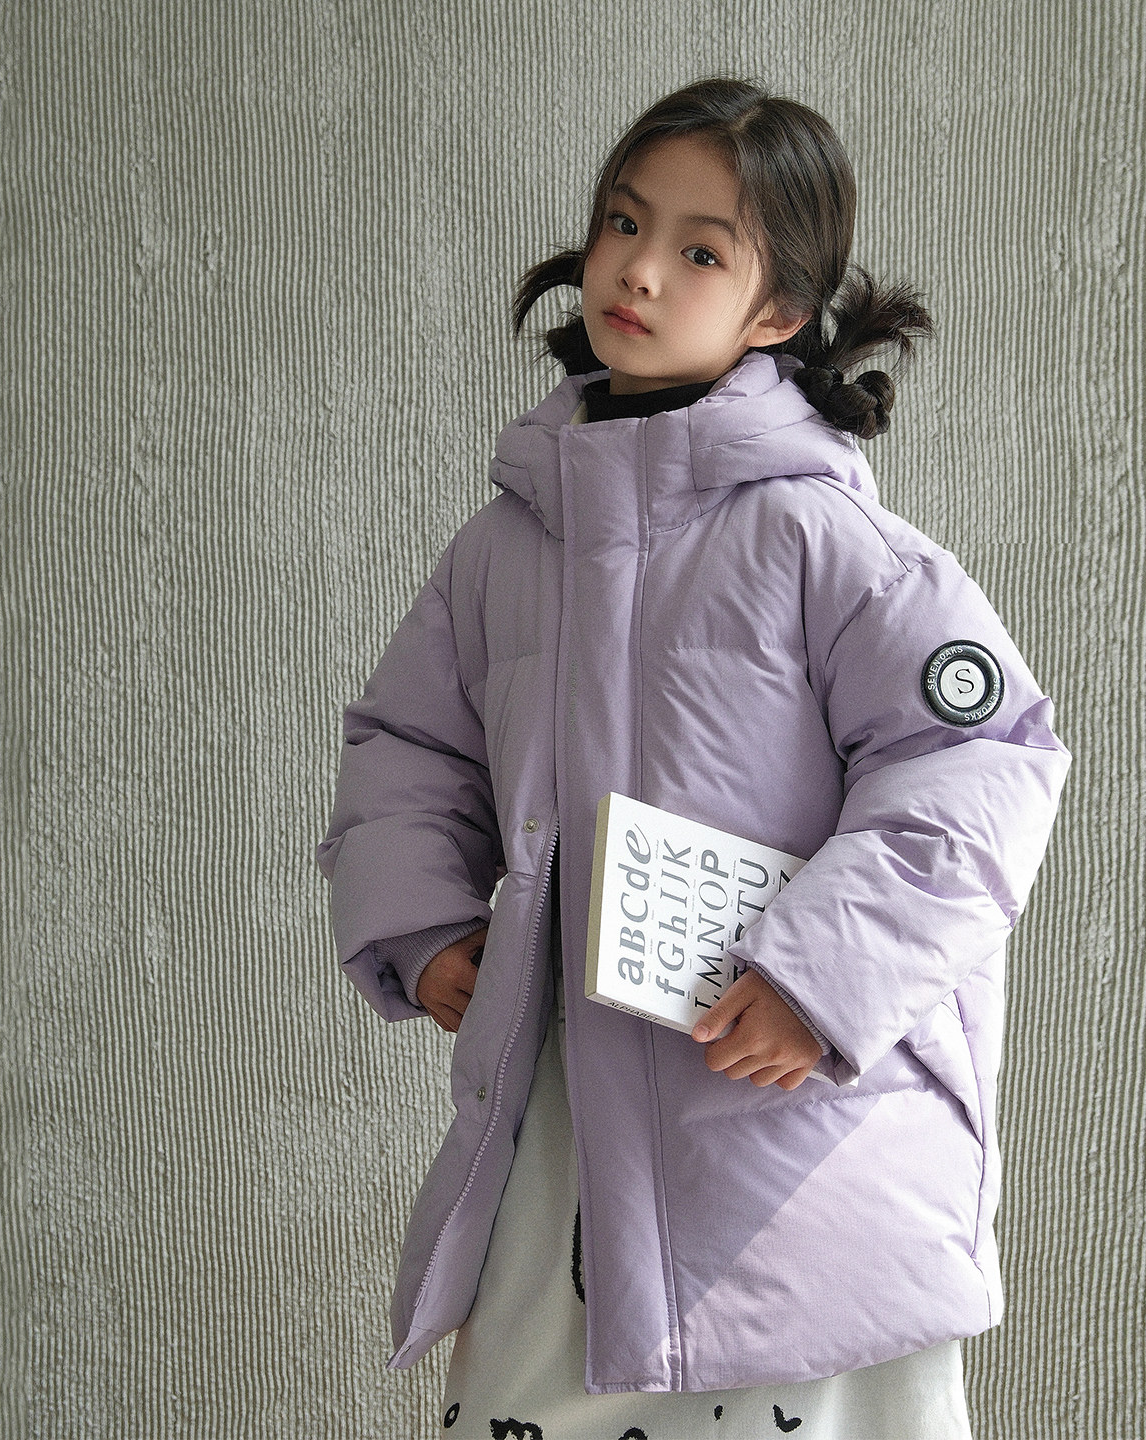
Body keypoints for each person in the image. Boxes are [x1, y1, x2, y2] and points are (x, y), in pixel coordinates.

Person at [316, 75, 1072, 1438]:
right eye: (623, 223)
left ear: (779, 311)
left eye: (702, 251)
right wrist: (421, 924)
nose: (641, 270)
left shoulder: (829, 547)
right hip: (572, 1108)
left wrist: (821, 977)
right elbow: (410, 746)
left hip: (790, 1117)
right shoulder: (504, 551)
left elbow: (984, 764)